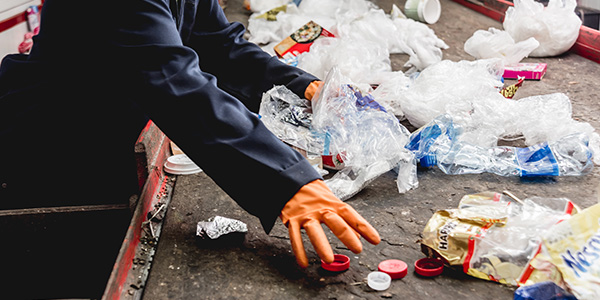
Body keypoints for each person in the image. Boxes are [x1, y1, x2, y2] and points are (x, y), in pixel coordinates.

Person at [0, 0, 380, 275]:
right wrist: (287, 180)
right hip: (45, 147)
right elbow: (176, 85)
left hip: (103, 131)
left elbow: (219, 46)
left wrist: (305, 86)